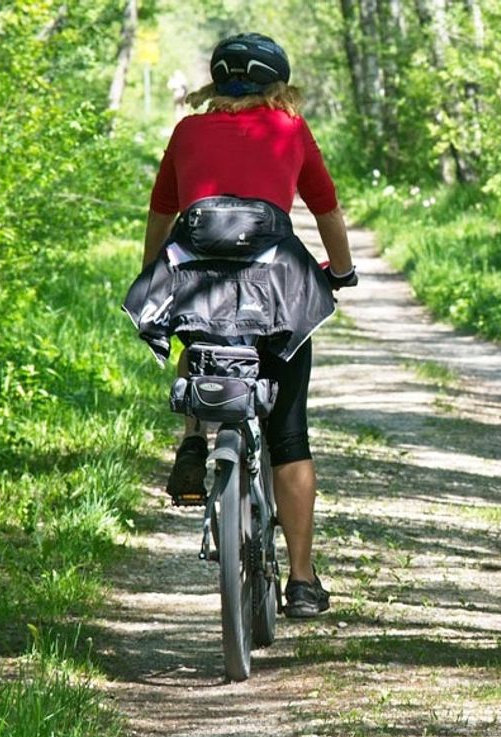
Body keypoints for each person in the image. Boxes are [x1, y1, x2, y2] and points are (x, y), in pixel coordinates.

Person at [141, 33, 358, 618]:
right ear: (276, 86)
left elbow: (163, 214)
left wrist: (152, 276)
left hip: (198, 279)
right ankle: (303, 581)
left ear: (216, 83)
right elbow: (326, 209)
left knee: (196, 328)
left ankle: (193, 436)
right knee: (289, 434)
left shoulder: (187, 131)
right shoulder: (289, 129)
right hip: (275, 286)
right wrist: (342, 272)